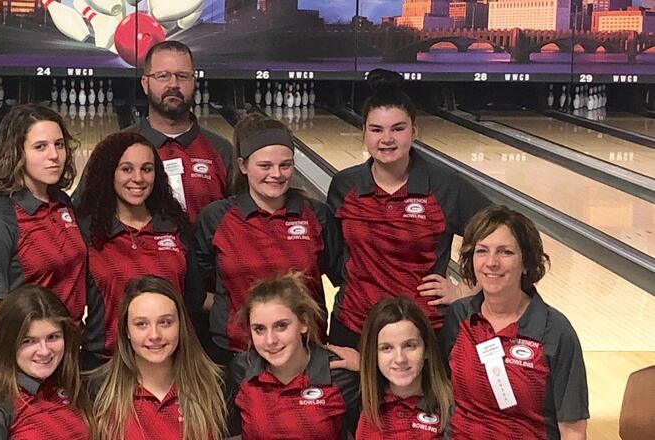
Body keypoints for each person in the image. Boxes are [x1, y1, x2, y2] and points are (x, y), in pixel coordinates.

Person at [326, 69, 490, 350]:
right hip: (354, 328)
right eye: (376, 129)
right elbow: (332, 255)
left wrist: (465, 290)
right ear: (363, 132)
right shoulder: (345, 185)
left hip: (425, 331)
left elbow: (505, 237)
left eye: (398, 128)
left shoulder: (444, 186)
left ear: (414, 130)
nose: (386, 139)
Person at [196, 113, 342, 364]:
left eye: (285, 165)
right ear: (243, 166)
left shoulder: (317, 215)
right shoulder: (216, 218)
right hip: (234, 355)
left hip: (306, 353)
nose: (277, 174)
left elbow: (346, 276)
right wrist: (232, 308)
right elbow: (196, 288)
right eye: (265, 166)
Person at [440, 205, 589, 439]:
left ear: (526, 262)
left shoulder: (555, 331)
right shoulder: (459, 317)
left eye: (505, 252)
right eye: (482, 251)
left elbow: (572, 429)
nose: (491, 262)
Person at [76, 131, 206, 369]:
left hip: (169, 365)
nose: (138, 178)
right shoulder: (87, 232)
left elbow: (194, 298)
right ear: (110, 173)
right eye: (126, 169)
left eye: (147, 169)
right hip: (104, 366)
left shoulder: (175, 228)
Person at [0, 104, 86, 353]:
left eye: (59, 144)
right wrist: (2, 379)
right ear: (17, 153)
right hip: (25, 357)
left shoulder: (62, 202)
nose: (54, 155)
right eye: (40, 147)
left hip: (66, 352)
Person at [75, 40, 233, 221]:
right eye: (163, 76)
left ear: (194, 82)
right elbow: (84, 214)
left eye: (182, 76)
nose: (173, 84)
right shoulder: (113, 149)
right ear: (145, 83)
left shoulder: (222, 151)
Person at [0, 285, 92, 439]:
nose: (44, 351)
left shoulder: (69, 383)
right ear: (8, 343)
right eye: (29, 341)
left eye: (53, 337)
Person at [224, 272, 360, 440]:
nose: (270, 340)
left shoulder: (340, 373)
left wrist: (368, 369)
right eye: (259, 329)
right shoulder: (241, 370)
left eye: (281, 326)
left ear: (303, 323)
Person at [88, 275, 225, 440]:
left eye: (165, 322)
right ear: (127, 331)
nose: (154, 335)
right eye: (141, 324)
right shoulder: (98, 391)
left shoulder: (216, 385)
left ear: (181, 325)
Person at [356, 297, 451, 439]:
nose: (400, 359)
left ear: (426, 350)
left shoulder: (450, 408)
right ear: (374, 355)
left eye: (409, 346)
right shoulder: (366, 407)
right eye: (387, 348)